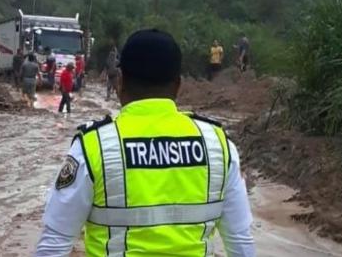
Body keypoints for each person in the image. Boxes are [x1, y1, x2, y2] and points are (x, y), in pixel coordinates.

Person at [36, 29, 255, 256]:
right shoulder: (217, 144)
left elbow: (55, 243)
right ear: (178, 85)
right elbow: (240, 242)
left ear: (120, 82)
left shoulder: (95, 146)